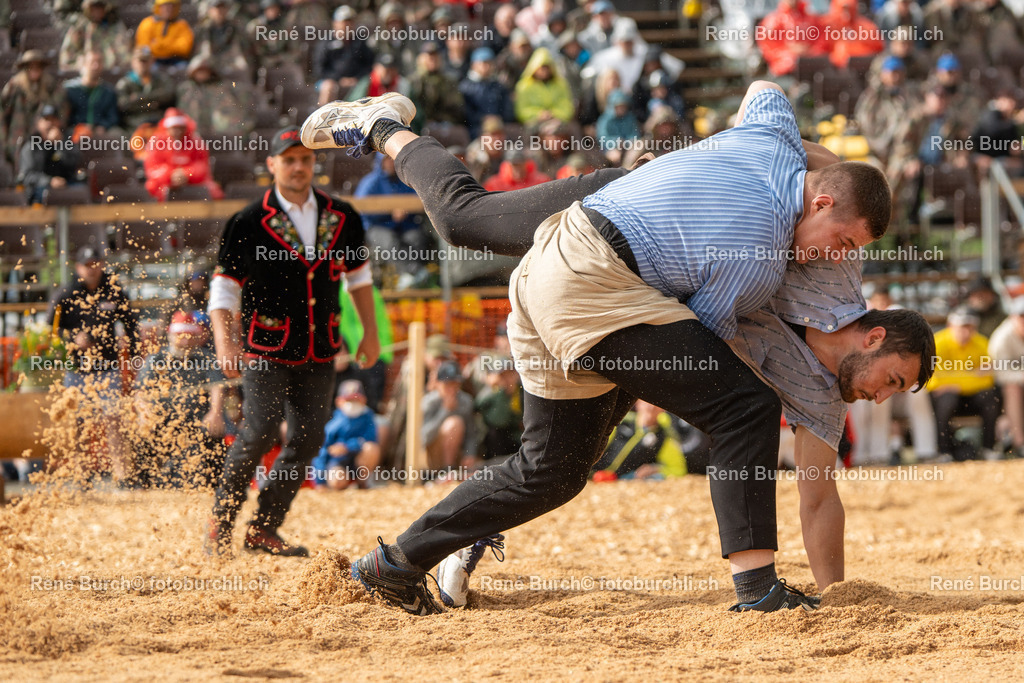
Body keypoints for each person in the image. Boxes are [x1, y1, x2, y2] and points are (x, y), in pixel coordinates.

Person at [301, 91, 930, 615]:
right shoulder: (769, 263)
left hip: (588, 258)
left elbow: (766, 98)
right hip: (601, 263)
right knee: (745, 408)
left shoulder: (779, 167)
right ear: (873, 336)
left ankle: (392, 564)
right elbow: (694, 342)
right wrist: (800, 173)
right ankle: (757, 587)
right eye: (839, 239)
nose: (836, 255)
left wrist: (790, 161)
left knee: (554, 469)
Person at [206, 126, 379, 557]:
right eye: (289, 159)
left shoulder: (343, 215)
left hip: (321, 345)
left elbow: (360, 279)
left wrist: (371, 335)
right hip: (264, 345)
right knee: (260, 430)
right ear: (272, 165)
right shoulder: (246, 222)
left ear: (313, 163)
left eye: (304, 159)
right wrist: (225, 343)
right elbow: (224, 290)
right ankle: (221, 520)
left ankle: (264, 527)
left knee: (308, 438)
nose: (298, 166)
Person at [47, 246, 139, 482]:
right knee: (78, 422)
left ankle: (122, 475)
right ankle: (81, 474)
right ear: (78, 267)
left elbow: (131, 324)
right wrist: (72, 339)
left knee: (113, 420)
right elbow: (51, 328)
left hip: (108, 366)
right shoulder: (66, 293)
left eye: (95, 263)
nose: (92, 269)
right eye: (87, 265)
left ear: (101, 264)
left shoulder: (114, 289)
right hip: (77, 369)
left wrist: (135, 355)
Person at [134, 310, 226, 488]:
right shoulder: (156, 359)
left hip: (197, 421)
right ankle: (143, 485)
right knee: (140, 433)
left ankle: (214, 484)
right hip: (162, 420)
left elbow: (217, 386)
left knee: (215, 430)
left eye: (190, 335)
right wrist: (144, 414)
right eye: (180, 335)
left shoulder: (206, 358)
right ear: (170, 335)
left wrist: (216, 412)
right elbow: (141, 392)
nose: (185, 340)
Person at [927, 307, 1002, 461]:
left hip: (972, 397)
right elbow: (932, 381)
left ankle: (989, 448)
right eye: (962, 327)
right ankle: (944, 451)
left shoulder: (982, 343)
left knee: (990, 397)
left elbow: (988, 379)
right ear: (950, 326)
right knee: (947, 399)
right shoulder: (937, 343)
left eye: (970, 327)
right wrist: (972, 376)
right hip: (949, 399)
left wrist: (954, 382)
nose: (966, 332)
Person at [353, 153, 432, 290]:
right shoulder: (371, 182)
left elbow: (418, 202)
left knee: (416, 238)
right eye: (387, 159)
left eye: (393, 159)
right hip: (377, 227)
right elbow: (361, 209)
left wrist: (406, 210)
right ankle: (415, 273)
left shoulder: (407, 181)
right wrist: (389, 212)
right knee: (389, 240)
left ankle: (412, 281)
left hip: (406, 226)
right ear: (381, 162)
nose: (391, 163)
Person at [591, 400, 688, 480]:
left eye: (657, 404)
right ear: (637, 403)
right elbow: (594, 444)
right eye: (647, 402)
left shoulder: (664, 436)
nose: (651, 407)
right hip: (591, 474)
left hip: (623, 481)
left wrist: (655, 469)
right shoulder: (619, 422)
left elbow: (678, 469)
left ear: (664, 409)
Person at [311, 380, 380, 490]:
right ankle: (342, 485)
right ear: (339, 402)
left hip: (358, 459)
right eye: (349, 400)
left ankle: (362, 483)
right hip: (337, 462)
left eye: (356, 400)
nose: (353, 404)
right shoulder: (332, 422)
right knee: (337, 481)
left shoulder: (368, 418)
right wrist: (320, 481)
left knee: (371, 448)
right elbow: (322, 451)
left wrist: (347, 447)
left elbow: (370, 439)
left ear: (363, 401)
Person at [143, 109, 223, 201]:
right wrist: (171, 175)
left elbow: (203, 166)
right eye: (174, 128)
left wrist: (187, 173)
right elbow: (152, 169)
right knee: (150, 188)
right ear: (167, 128)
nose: (177, 132)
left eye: (180, 128)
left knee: (214, 191)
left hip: (193, 182)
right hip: (165, 183)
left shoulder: (196, 141)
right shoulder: (157, 142)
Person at [17, 106, 83, 204]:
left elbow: (74, 165)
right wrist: (50, 181)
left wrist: (60, 144)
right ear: (38, 123)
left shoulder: (66, 142)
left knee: (81, 191)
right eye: (46, 119)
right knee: (47, 195)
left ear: (59, 123)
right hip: (40, 188)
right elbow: (27, 176)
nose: (50, 123)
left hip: (66, 185)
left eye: (53, 119)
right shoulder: (31, 145)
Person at [421, 360, 478, 472]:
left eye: (455, 384)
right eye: (447, 385)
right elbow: (424, 437)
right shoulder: (428, 402)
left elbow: (471, 433)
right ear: (437, 384)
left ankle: (452, 469)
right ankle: (446, 470)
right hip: (430, 457)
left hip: (457, 454)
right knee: (454, 423)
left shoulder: (465, 401)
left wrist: (470, 454)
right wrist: (445, 411)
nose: (452, 390)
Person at [313, 5, 374, 106]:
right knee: (328, 86)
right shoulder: (326, 43)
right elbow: (319, 69)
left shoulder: (360, 42)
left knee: (369, 83)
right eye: (344, 22)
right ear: (335, 24)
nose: (347, 25)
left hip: (356, 81)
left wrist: (356, 78)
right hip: (330, 81)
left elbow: (369, 65)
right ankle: (324, 118)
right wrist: (339, 79)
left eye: (350, 22)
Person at [987, 297, 1024, 458]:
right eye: (1021, 316)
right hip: (999, 391)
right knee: (1012, 388)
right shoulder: (1002, 338)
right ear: (1012, 317)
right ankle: (1020, 443)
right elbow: (1000, 374)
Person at [756, 0, 827, 77]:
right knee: (791, 61)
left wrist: (809, 50)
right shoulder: (773, 20)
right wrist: (790, 50)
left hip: (810, 63)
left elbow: (822, 41)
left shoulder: (811, 19)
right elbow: (768, 49)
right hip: (786, 66)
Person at [116, 46, 177, 132]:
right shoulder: (125, 83)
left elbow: (168, 95)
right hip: (133, 126)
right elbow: (123, 105)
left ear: (152, 61)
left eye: (146, 60)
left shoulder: (160, 79)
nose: (143, 64)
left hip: (158, 124)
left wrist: (138, 98)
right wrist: (152, 103)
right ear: (133, 61)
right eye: (140, 60)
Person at [59, 0, 131, 72]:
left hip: (110, 70)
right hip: (85, 71)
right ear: (88, 9)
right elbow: (67, 55)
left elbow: (124, 53)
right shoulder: (80, 26)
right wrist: (80, 64)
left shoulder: (115, 26)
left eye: (100, 7)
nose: (97, 11)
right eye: (94, 8)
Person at [65, 49, 121, 136]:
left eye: (99, 62)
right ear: (84, 64)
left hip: (101, 129)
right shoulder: (71, 89)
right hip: (76, 129)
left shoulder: (108, 92)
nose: (96, 66)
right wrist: (80, 127)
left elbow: (113, 117)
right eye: (92, 62)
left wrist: (104, 126)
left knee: (118, 135)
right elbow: (65, 116)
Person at [135, 0, 195, 70]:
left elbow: (184, 49)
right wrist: (172, 46)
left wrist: (160, 45)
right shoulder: (148, 24)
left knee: (184, 68)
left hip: (176, 60)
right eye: (165, 6)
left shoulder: (182, 25)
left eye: (172, 6)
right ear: (158, 7)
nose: (169, 9)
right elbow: (143, 48)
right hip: (153, 60)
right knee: (147, 68)